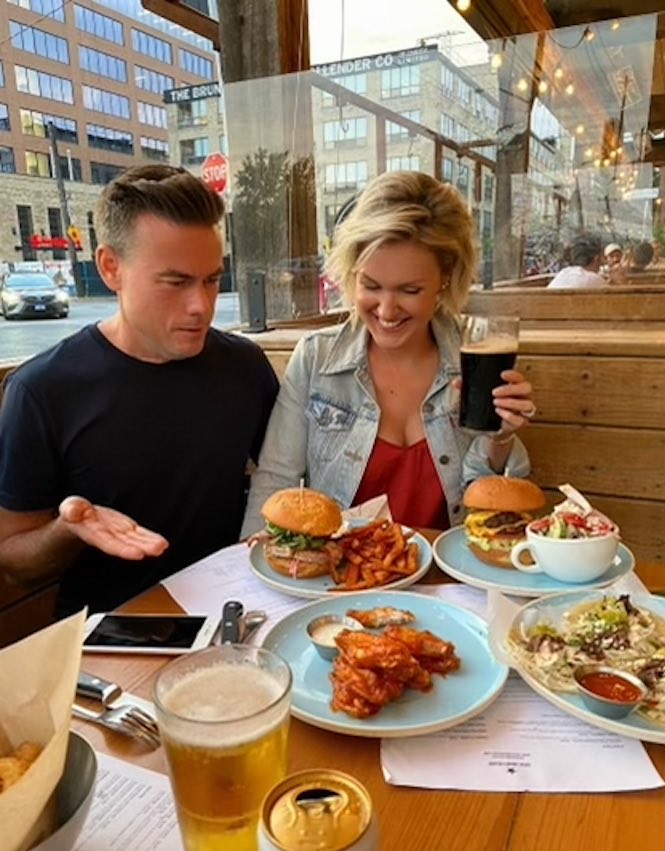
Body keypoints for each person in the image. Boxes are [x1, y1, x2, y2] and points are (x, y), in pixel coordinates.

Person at [0, 164, 278, 618]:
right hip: (112, 637)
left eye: (211, 280)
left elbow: (283, 477)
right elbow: (14, 563)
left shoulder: (244, 365)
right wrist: (71, 531)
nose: (201, 306)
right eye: (176, 281)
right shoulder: (43, 390)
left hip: (236, 612)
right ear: (111, 267)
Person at [241, 171, 536, 536]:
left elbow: (491, 508)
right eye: (370, 285)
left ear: (445, 279)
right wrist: (251, 578)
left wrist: (501, 437)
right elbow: (275, 481)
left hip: (449, 580)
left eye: (410, 290)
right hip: (343, 583)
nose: (386, 309)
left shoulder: (475, 358)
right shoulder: (317, 358)